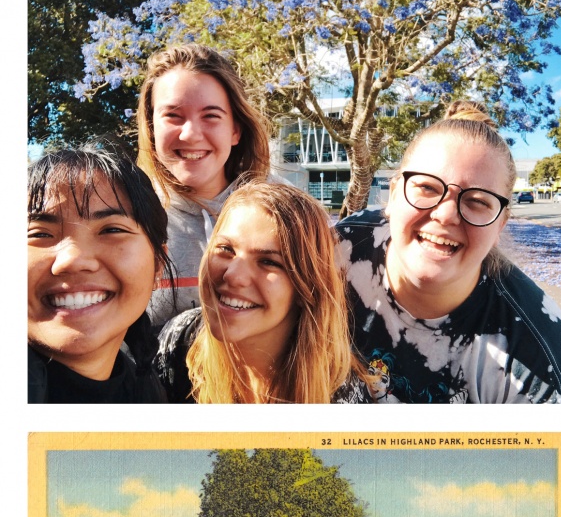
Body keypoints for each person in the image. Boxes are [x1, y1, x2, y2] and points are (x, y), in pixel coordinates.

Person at [336, 101, 561, 403]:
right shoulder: (340, 248)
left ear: (500, 224)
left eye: (477, 200)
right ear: (394, 195)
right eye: (427, 188)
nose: (446, 215)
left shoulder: (537, 363)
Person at [155, 181, 369, 403]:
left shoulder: (339, 396)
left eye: (269, 262)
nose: (233, 275)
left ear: (307, 286)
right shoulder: (178, 341)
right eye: (226, 249)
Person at [137, 43, 271, 327]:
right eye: (173, 116)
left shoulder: (282, 213)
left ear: (235, 130)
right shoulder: (126, 218)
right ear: (151, 127)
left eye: (211, 116)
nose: (191, 134)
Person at [28, 145, 174, 403]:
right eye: (40, 234)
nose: (72, 260)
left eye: (111, 230)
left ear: (157, 266)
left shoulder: (148, 391)